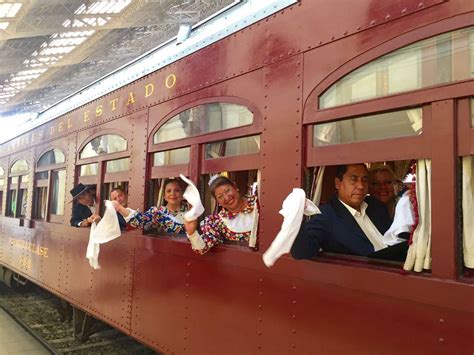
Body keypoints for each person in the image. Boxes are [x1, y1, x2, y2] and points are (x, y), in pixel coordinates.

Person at [291, 164, 407, 260]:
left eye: (364, 180)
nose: (361, 186)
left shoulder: (375, 205)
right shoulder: (326, 216)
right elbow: (301, 252)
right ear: (338, 183)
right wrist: (295, 216)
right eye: (354, 179)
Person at [184, 175, 258, 255]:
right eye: (220, 196)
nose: (226, 197)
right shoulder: (216, 222)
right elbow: (202, 248)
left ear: (235, 187)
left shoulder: (259, 203)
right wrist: (192, 233)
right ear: (217, 202)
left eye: (227, 191)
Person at [113, 178, 188, 234]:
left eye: (177, 190)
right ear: (164, 196)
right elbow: (139, 221)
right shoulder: (157, 212)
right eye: (169, 191)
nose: (173, 194)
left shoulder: (191, 212)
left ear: (182, 194)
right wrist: (119, 208)